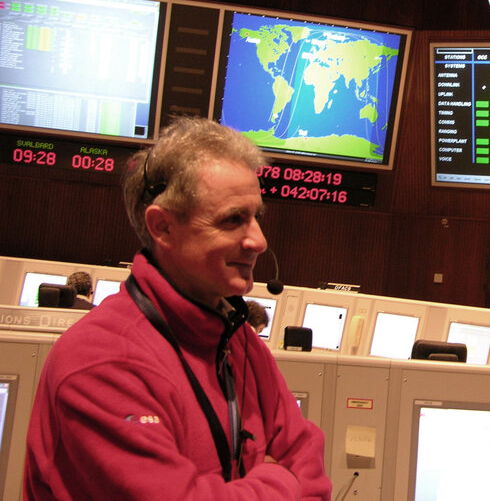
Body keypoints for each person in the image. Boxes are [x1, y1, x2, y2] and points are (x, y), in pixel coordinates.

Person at [24, 117, 332, 501]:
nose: (259, 240)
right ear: (163, 227)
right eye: (233, 219)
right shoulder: (100, 361)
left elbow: (313, 474)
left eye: (256, 217)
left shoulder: (241, 342)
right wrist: (281, 481)